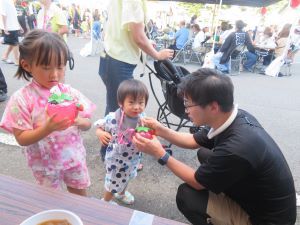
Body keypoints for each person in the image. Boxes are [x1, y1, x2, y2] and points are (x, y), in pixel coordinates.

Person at [133, 68, 296, 225]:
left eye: (188, 104)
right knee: (204, 153)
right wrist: (160, 130)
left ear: (213, 107)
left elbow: (197, 182)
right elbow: (193, 141)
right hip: (261, 196)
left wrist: (160, 153)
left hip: (266, 220)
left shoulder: (236, 149)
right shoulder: (233, 116)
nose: (185, 109)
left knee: (187, 196)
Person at [0, 30, 96, 196]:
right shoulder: (22, 99)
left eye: (60, 66)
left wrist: (80, 121)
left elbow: (88, 123)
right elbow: (21, 138)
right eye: (46, 67)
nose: (55, 74)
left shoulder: (69, 93)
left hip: (74, 159)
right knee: (52, 202)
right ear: (26, 65)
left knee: (79, 198)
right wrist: (48, 128)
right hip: (44, 166)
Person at [98, 0, 173, 160]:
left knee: (115, 107)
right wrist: (157, 55)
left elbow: (129, 32)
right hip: (120, 60)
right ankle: (113, 153)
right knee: (122, 110)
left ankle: (111, 150)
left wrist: (145, 43)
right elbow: (138, 37)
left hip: (110, 56)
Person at [95, 79, 149, 205]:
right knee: (112, 182)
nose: (137, 107)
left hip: (133, 158)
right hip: (116, 160)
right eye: (131, 102)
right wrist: (100, 133)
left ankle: (121, 194)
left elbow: (147, 131)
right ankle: (105, 202)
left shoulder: (142, 119)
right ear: (121, 103)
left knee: (127, 177)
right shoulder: (113, 118)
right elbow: (99, 126)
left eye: (141, 102)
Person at [0, 0, 22, 65]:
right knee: (15, 43)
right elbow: (3, 14)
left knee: (13, 43)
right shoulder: (3, 1)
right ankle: (17, 60)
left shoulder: (11, 2)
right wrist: (5, 27)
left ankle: (5, 56)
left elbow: (14, 16)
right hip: (10, 26)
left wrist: (19, 26)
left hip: (14, 26)